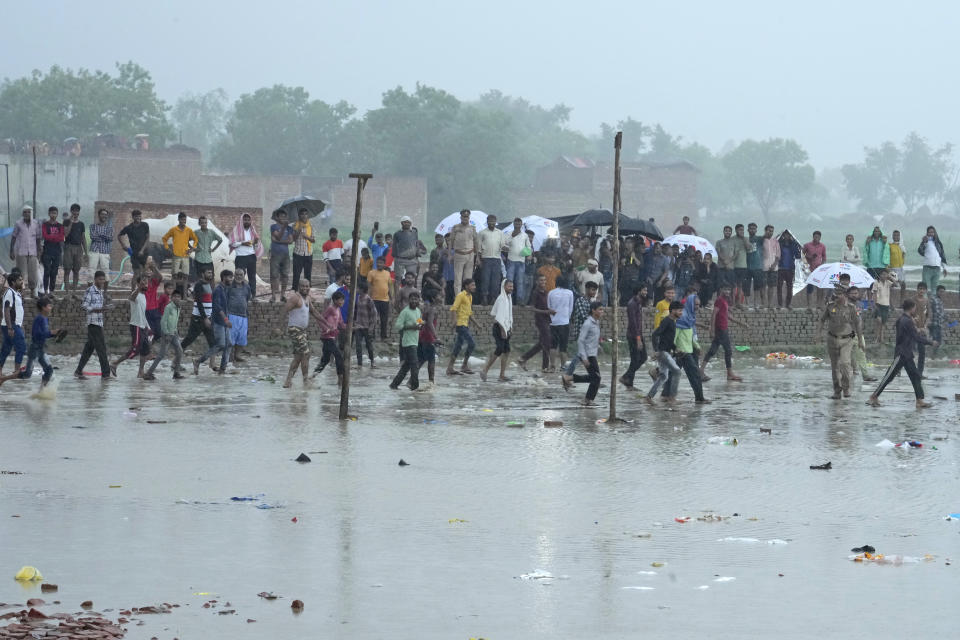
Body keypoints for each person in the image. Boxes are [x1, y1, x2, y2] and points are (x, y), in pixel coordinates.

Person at [867, 298, 934, 409]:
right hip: (902, 354)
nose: (915, 310)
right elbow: (916, 337)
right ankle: (874, 396)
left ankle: (919, 400)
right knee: (889, 376)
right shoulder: (906, 321)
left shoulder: (905, 319)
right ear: (912, 308)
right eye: (915, 308)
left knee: (916, 376)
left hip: (907, 354)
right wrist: (930, 342)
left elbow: (912, 334)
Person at [0, 296, 63, 388]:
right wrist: (51, 332)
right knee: (27, 374)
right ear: (43, 307)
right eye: (49, 306)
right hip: (34, 349)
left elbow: (44, 334)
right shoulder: (39, 318)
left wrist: (54, 334)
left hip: (40, 349)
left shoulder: (45, 318)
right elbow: (36, 334)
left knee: (49, 371)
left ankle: (41, 392)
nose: (51, 308)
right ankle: (3, 379)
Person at [818, 286, 861, 399]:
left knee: (845, 364)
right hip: (832, 339)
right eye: (835, 294)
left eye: (839, 294)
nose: (837, 296)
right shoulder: (830, 306)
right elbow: (822, 320)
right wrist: (818, 334)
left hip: (847, 339)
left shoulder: (851, 308)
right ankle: (837, 391)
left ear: (845, 295)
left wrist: (860, 340)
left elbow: (857, 323)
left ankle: (846, 388)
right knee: (834, 367)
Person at [561, 301, 604, 407]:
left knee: (594, 377)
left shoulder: (596, 322)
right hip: (588, 355)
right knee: (596, 378)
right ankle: (587, 400)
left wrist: (598, 346)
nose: (602, 311)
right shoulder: (588, 323)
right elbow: (580, 341)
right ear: (593, 310)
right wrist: (584, 358)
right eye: (600, 309)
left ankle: (568, 378)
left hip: (592, 353)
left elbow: (591, 339)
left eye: (602, 309)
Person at [283, 279, 323, 388]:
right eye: (302, 286)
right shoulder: (295, 298)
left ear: (310, 287)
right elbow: (284, 311)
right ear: (298, 287)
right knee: (306, 353)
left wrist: (326, 323)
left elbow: (314, 312)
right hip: (295, 329)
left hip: (302, 331)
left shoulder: (308, 299)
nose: (305, 288)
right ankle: (305, 381)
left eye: (307, 286)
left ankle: (288, 381)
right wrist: (279, 328)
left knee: (299, 356)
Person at [700, 285, 744, 382]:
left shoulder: (724, 301)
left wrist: (740, 323)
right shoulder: (719, 300)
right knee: (728, 351)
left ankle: (701, 370)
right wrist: (712, 329)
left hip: (723, 329)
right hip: (720, 329)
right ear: (721, 290)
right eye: (725, 289)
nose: (727, 291)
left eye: (729, 289)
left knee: (713, 350)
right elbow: (714, 314)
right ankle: (729, 374)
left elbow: (726, 315)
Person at [110, 275, 151, 378]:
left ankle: (140, 371)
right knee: (135, 349)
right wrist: (138, 288)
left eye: (146, 283)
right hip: (136, 326)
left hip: (143, 326)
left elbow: (142, 312)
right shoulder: (135, 294)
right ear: (138, 284)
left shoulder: (144, 296)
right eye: (142, 283)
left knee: (145, 350)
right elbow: (131, 298)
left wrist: (147, 326)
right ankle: (115, 363)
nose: (145, 285)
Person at [194, 270, 234, 375]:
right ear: (224, 277)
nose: (231, 279)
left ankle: (222, 369)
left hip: (224, 322)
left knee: (229, 344)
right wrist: (226, 319)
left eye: (231, 277)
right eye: (229, 277)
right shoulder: (218, 290)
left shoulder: (226, 289)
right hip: (218, 322)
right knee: (221, 344)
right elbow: (216, 306)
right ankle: (198, 361)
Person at [74, 270, 112, 379]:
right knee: (101, 349)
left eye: (103, 280)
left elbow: (99, 308)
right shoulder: (90, 290)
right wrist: (96, 309)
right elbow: (84, 306)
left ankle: (78, 371)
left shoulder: (100, 292)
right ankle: (106, 374)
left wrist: (104, 309)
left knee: (89, 348)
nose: (102, 281)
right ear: (95, 279)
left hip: (99, 323)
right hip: (93, 323)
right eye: (100, 279)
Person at [144, 288, 186, 381]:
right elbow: (163, 321)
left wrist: (176, 331)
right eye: (175, 297)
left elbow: (175, 320)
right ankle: (148, 373)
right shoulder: (169, 307)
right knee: (161, 355)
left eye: (178, 297)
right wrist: (166, 333)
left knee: (179, 351)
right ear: (172, 298)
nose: (177, 298)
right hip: (167, 333)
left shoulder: (178, 307)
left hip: (173, 333)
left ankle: (176, 373)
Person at [517, 274, 554, 373]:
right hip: (540, 320)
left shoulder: (546, 292)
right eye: (541, 280)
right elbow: (532, 308)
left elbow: (545, 307)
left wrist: (550, 311)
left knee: (543, 343)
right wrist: (546, 312)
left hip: (546, 319)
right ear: (537, 282)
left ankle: (523, 358)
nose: (543, 282)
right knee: (546, 342)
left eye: (544, 280)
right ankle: (544, 367)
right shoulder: (535, 293)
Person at [481, 280, 514, 382]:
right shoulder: (501, 299)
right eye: (509, 286)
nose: (511, 288)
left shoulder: (509, 298)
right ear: (504, 287)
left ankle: (502, 375)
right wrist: (503, 330)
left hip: (506, 327)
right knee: (499, 349)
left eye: (512, 286)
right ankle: (484, 370)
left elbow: (508, 314)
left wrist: (510, 327)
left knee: (507, 350)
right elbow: (498, 317)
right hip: (499, 328)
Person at [390, 291, 423, 390]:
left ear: (418, 300)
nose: (414, 301)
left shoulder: (418, 311)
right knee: (414, 364)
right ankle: (415, 386)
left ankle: (394, 384)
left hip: (415, 341)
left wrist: (420, 325)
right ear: (409, 300)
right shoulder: (405, 312)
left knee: (406, 366)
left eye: (416, 299)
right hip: (408, 342)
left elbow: (419, 322)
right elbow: (398, 326)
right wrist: (410, 326)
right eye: (412, 299)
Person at [446, 278, 479, 375]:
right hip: (460, 324)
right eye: (472, 285)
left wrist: (477, 324)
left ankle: (450, 368)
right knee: (472, 344)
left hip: (465, 324)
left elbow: (469, 313)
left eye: (474, 285)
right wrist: (454, 321)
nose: (474, 287)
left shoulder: (470, 297)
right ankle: (464, 365)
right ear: (466, 286)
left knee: (457, 346)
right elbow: (453, 309)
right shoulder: (461, 295)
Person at [313, 290, 346, 385]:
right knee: (338, 355)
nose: (342, 302)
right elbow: (320, 319)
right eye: (340, 300)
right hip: (327, 337)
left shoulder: (338, 310)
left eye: (343, 300)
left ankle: (312, 376)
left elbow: (341, 324)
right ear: (335, 300)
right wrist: (325, 328)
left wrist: (352, 327)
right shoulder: (331, 309)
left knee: (325, 360)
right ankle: (340, 379)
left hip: (332, 337)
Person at [619, 284, 648, 389]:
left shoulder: (639, 302)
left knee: (642, 357)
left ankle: (628, 380)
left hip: (638, 335)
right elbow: (633, 323)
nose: (646, 293)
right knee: (636, 359)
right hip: (633, 336)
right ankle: (626, 379)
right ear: (639, 291)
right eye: (644, 290)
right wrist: (638, 339)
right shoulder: (632, 304)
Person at [181, 267, 216, 354]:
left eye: (211, 273)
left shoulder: (210, 284)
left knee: (212, 342)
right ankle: (176, 357)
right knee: (190, 338)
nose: (210, 274)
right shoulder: (199, 285)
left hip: (208, 317)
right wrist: (205, 318)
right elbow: (199, 302)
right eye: (208, 272)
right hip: (199, 318)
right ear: (203, 274)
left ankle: (212, 365)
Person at [845, 286, 876, 382]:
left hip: (858, 333)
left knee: (862, 354)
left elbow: (860, 320)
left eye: (856, 293)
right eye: (852, 293)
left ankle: (865, 375)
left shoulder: (860, 304)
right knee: (846, 356)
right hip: (847, 334)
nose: (854, 295)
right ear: (848, 294)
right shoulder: (845, 305)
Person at [10, 205, 41, 297]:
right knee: (21, 273)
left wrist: (39, 250)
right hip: (21, 252)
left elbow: (38, 238)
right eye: (25, 212)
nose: (27, 214)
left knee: (33, 273)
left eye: (29, 212)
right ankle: (20, 292)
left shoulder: (36, 223)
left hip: (33, 252)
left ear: (32, 213)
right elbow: (14, 237)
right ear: (22, 213)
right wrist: (11, 250)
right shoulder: (18, 223)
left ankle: (33, 291)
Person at [0, 271, 26, 376]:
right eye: (19, 280)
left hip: (14, 325)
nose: (22, 282)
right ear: (13, 282)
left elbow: (18, 310)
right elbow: (6, 310)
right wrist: (10, 328)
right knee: (21, 346)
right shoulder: (10, 293)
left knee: (6, 349)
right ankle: (17, 371)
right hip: (11, 325)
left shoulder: (16, 293)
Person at [228, 212, 262, 292]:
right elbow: (231, 243)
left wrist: (256, 242)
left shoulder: (253, 230)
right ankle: (239, 293)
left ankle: (252, 295)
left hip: (251, 256)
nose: (247, 222)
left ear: (251, 221)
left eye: (248, 220)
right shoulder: (236, 230)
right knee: (239, 277)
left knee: (252, 277)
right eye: (245, 220)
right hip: (240, 257)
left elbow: (255, 245)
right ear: (241, 221)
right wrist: (242, 243)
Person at [547, 275, 574, 373]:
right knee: (563, 346)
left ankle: (552, 366)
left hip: (553, 322)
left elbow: (549, 307)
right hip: (564, 322)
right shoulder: (570, 293)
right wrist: (567, 318)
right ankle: (563, 366)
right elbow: (570, 308)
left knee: (553, 345)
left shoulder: (551, 293)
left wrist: (552, 318)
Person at [118, 209, 151, 284]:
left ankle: (143, 291)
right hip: (134, 254)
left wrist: (142, 250)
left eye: (139, 216)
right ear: (133, 217)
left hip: (144, 253)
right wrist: (123, 245)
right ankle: (133, 292)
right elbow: (119, 236)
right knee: (136, 273)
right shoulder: (129, 228)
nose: (138, 218)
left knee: (145, 274)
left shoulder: (145, 225)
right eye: (136, 216)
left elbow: (147, 238)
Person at [477, 213, 504, 304]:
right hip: (486, 258)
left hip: (496, 259)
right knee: (485, 279)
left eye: (493, 221)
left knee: (495, 280)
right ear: (487, 222)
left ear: (496, 222)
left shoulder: (500, 233)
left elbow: (503, 246)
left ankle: (494, 299)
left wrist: (510, 248)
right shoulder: (482, 233)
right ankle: (484, 298)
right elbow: (478, 248)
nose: (492, 223)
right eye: (490, 221)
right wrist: (478, 259)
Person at [162, 212, 198, 280]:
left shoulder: (188, 230)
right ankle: (174, 290)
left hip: (185, 256)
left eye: (184, 220)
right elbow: (164, 238)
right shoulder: (173, 229)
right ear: (178, 220)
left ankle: (184, 290)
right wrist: (167, 248)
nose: (183, 221)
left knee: (185, 275)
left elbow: (196, 239)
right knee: (174, 275)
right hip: (176, 255)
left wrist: (192, 249)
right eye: (182, 219)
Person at [450, 210, 479, 296]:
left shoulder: (472, 228)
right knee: (458, 279)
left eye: (467, 217)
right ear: (461, 217)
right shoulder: (455, 228)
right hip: (458, 254)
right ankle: (458, 298)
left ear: (469, 218)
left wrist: (477, 257)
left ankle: (467, 298)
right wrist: (449, 255)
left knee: (468, 279)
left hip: (470, 255)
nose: (465, 218)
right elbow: (451, 242)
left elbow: (476, 242)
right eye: (464, 216)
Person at [226, 268, 252, 362]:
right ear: (234, 275)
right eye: (237, 274)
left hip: (243, 315)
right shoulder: (229, 286)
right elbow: (226, 298)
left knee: (241, 337)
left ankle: (237, 355)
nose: (239, 276)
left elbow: (248, 297)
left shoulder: (247, 286)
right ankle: (230, 356)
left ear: (244, 276)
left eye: (241, 275)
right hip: (232, 314)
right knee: (231, 337)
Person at [504, 218, 532, 305]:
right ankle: (508, 299)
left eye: (519, 224)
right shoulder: (508, 234)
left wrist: (527, 254)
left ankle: (520, 300)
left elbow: (528, 247)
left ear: (521, 225)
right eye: (516, 224)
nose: (517, 226)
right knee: (509, 281)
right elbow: (504, 244)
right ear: (513, 224)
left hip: (521, 261)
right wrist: (513, 236)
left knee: (520, 282)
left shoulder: (525, 235)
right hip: (511, 260)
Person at [269, 209, 294, 303]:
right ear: (277, 217)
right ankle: (273, 296)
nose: (283, 218)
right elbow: (278, 236)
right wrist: (283, 228)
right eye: (281, 216)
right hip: (275, 254)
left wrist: (277, 241)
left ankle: (282, 295)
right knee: (274, 275)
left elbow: (291, 241)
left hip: (285, 254)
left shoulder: (289, 228)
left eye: (285, 216)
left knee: (285, 275)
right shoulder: (273, 226)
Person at [352, 280, 378, 368]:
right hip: (358, 326)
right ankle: (359, 364)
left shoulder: (368, 299)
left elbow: (374, 314)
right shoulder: (358, 298)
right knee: (358, 346)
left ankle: (372, 362)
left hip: (367, 326)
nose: (357, 289)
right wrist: (354, 322)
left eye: (358, 288)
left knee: (369, 346)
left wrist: (372, 327)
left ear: (362, 289)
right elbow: (355, 311)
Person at [62, 203, 87, 291]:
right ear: (71, 211)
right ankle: (67, 290)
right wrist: (71, 222)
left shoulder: (81, 224)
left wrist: (86, 252)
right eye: (74, 211)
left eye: (77, 211)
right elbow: (65, 234)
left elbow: (83, 238)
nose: (76, 213)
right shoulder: (66, 221)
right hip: (68, 247)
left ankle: (74, 290)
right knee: (67, 269)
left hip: (78, 248)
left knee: (76, 270)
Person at [40, 206, 65, 295]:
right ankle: (46, 290)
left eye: (55, 213)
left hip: (57, 251)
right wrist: (55, 237)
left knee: (54, 272)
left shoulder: (60, 226)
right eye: (51, 213)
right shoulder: (45, 225)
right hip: (47, 251)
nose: (53, 215)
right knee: (47, 271)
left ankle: (52, 291)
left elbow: (61, 237)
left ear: (57, 214)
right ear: (49, 214)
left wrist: (52, 237)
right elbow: (45, 236)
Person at [417, 289, 439, 386]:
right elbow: (430, 323)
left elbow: (420, 321)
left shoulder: (426, 308)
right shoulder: (432, 309)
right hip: (429, 337)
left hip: (422, 336)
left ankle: (411, 380)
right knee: (431, 360)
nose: (441, 297)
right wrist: (436, 337)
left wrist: (420, 330)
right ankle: (431, 382)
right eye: (439, 296)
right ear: (434, 298)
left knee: (421, 359)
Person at [368, 256, 393, 340]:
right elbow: (369, 287)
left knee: (384, 319)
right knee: (373, 318)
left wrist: (392, 298)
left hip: (385, 300)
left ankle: (383, 335)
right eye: (378, 262)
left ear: (384, 264)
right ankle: (372, 334)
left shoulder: (387, 273)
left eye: (381, 263)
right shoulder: (371, 273)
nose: (379, 264)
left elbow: (389, 286)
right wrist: (368, 298)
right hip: (374, 299)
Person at [917, 225, 947, 293]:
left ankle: (933, 303)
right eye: (929, 232)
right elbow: (920, 251)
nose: (931, 234)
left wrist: (944, 268)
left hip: (937, 269)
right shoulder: (925, 242)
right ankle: (924, 303)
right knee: (924, 287)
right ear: (927, 233)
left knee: (935, 288)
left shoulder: (938, 243)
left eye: (932, 232)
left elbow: (941, 256)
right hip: (927, 268)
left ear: (935, 233)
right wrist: (924, 242)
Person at [777, 229, 802, 309]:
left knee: (789, 287)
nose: (787, 236)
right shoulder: (779, 244)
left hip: (790, 269)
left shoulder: (793, 244)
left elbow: (798, 256)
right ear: (783, 236)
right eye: (785, 235)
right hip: (780, 268)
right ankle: (780, 304)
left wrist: (797, 246)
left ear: (790, 236)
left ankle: (788, 304)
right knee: (779, 287)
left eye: (788, 235)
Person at [731, 224, 755, 307]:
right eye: (740, 230)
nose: (741, 231)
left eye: (742, 230)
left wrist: (744, 239)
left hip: (743, 266)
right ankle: (732, 303)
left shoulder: (746, 239)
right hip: (734, 266)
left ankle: (739, 303)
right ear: (736, 230)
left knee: (740, 285)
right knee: (733, 286)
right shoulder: (732, 239)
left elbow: (750, 248)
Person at [802, 231, 827, 308]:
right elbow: (801, 256)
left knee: (819, 287)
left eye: (818, 237)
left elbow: (824, 257)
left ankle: (818, 304)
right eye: (815, 237)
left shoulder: (822, 246)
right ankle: (809, 305)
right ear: (813, 237)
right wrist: (808, 258)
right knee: (810, 287)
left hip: (819, 270)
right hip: (809, 269)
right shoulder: (807, 245)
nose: (817, 238)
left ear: (820, 237)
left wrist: (822, 266)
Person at [143, 257, 164, 337]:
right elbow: (142, 275)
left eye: (150, 271)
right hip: (146, 310)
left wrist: (154, 267)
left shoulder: (154, 282)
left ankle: (152, 342)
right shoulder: (142, 283)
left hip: (155, 309)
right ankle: (149, 346)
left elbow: (160, 277)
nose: (149, 272)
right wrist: (146, 267)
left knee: (158, 332)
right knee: (150, 332)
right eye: (147, 271)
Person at [88, 208, 114, 274]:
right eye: (102, 214)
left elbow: (110, 238)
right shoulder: (93, 226)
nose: (104, 216)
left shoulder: (110, 228)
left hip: (105, 251)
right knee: (91, 272)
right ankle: (91, 284)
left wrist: (99, 234)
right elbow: (93, 237)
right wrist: (105, 236)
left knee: (105, 272)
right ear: (99, 215)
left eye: (105, 214)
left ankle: (104, 284)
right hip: (94, 250)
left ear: (107, 216)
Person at [872, 269, 894, 343]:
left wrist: (890, 277)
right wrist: (874, 304)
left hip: (886, 305)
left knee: (883, 323)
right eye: (882, 274)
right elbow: (874, 294)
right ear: (879, 275)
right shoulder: (876, 282)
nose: (884, 276)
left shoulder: (888, 282)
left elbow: (896, 284)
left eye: (885, 274)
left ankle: (881, 339)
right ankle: (876, 338)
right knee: (879, 321)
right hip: (878, 304)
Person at [746, 223, 765, 308]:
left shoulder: (759, 239)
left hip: (758, 266)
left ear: (756, 230)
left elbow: (766, 236)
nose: (752, 230)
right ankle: (746, 303)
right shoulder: (745, 240)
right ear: (748, 230)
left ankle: (755, 303)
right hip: (747, 266)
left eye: (754, 228)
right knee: (746, 285)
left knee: (757, 286)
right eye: (751, 228)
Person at [761, 225, 780, 309]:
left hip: (774, 268)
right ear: (765, 231)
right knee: (763, 286)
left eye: (772, 231)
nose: (770, 232)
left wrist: (774, 265)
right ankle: (763, 303)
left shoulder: (776, 241)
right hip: (763, 267)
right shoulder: (761, 241)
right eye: (769, 230)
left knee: (771, 286)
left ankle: (770, 304)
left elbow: (778, 255)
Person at [914, 282, 930, 376]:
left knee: (922, 353)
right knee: (906, 352)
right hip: (912, 329)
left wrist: (925, 326)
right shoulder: (912, 300)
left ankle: (920, 373)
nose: (921, 290)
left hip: (922, 331)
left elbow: (928, 316)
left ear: (926, 290)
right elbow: (909, 314)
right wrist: (915, 327)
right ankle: (897, 370)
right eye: (920, 288)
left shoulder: (926, 301)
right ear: (917, 289)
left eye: (923, 289)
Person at [888, 229, 906, 301]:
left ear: (900, 236)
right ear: (892, 236)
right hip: (893, 268)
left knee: (903, 285)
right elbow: (887, 257)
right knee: (891, 286)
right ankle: (890, 303)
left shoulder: (902, 246)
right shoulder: (890, 245)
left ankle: (902, 302)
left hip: (900, 268)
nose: (896, 237)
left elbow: (903, 257)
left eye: (898, 235)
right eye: (894, 235)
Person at [930, 285, 945, 358]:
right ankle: (933, 355)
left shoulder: (940, 300)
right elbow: (936, 312)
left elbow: (942, 312)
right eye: (940, 291)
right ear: (937, 291)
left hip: (939, 324)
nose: (942, 293)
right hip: (934, 323)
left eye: (943, 292)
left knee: (939, 340)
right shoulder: (934, 299)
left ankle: (934, 355)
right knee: (935, 340)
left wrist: (947, 319)